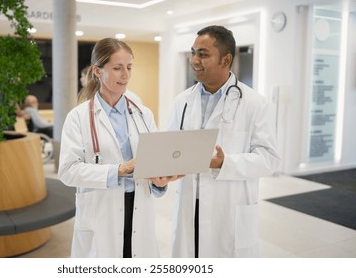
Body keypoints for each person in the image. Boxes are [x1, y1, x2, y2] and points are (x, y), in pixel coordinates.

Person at [59, 38, 180, 258]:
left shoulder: (144, 114)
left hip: (139, 207)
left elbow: (155, 160)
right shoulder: (78, 117)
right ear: (97, 70)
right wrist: (118, 170)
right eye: (117, 68)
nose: (125, 75)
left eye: (129, 67)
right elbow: (67, 171)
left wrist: (160, 181)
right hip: (101, 212)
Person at [167, 25, 281, 258]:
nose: (194, 60)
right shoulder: (183, 101)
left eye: (203, 54)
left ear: (226, 59)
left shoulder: (254, 104)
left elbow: (269, 160)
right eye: (193, 52)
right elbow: (171, 147)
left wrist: (224, 163)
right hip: (189, 202)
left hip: (228, 206)